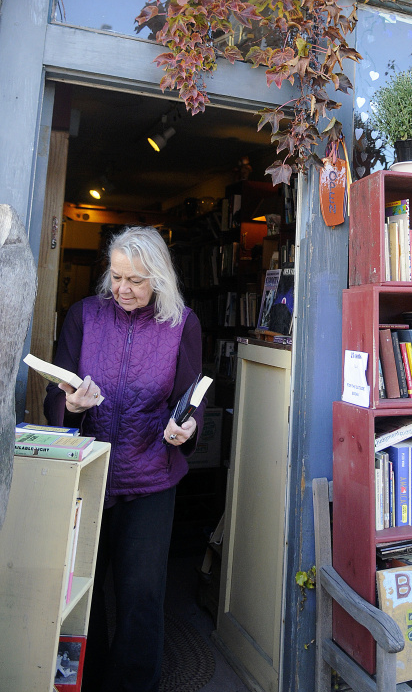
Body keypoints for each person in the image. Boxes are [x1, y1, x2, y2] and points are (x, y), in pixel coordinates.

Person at [45, 226, 204, 692]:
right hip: (87, 473)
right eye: (116, 277)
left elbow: (189, 401)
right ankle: (85, 682)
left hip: (150, 477)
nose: (123, 289)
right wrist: (69, 405)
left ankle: (133, 684)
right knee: (80, 591)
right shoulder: (84, 315)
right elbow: (57, 394)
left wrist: (186, 428)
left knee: (141, 595)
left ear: (158, 278)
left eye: (135, 279)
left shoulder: (182, 324)